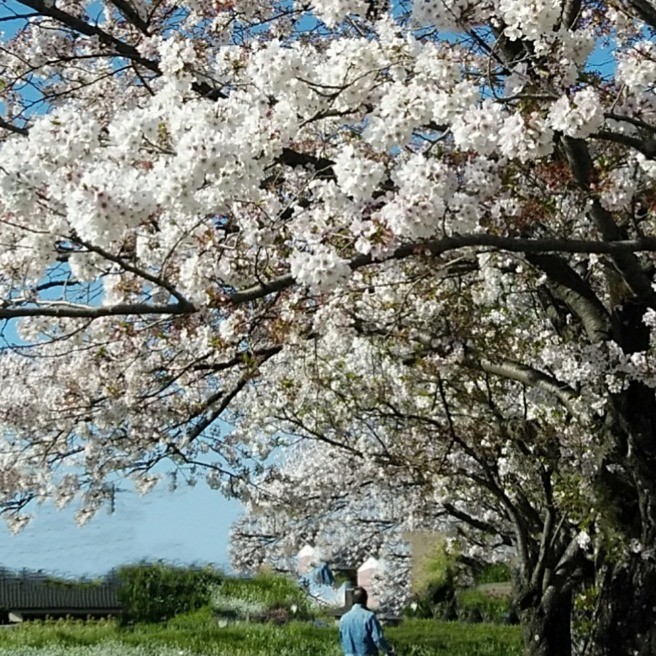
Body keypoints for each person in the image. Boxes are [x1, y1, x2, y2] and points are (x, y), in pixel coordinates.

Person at [339, 586, 394, 656]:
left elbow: (342, 641)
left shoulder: (343, 619)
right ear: (365, 599)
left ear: (353, 599)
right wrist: (388, 650)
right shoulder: (369, 617)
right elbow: (378, 639)